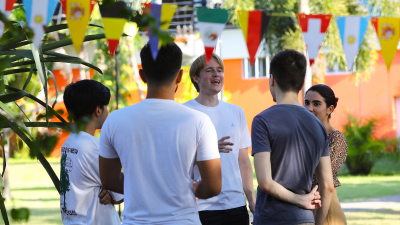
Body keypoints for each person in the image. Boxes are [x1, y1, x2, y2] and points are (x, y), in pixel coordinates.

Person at [98, 42, 222, 224]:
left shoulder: (115, 121)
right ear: (180, 76)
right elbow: (213, 186)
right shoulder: (199, 121)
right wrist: (190, 187)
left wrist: (141, 187)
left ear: (142, 75)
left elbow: (109, 179)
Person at [252, 49, 335, 225]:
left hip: (271, 219)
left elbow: (265, 182)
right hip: (304, 219)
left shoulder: (262, 121)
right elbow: (328, 186)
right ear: (302, 82)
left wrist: (300, 199)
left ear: (272, 79)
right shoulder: (318, 125)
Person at [184, 53, 255, 225]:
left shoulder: (236, 111)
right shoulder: (184, 113)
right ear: (196, 78)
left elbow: (244, 161)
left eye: (219, 70)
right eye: (209, 70)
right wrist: (208, 151)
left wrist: (251, 201)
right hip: (201, 207)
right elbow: (177, 163)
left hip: (236, 206)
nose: (217, 74)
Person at [60, 80, 123, 225]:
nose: (108, 110)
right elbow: (122, 187)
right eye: (106, 106)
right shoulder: (95, 148)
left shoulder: (68, 143)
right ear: (98, 110)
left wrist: (110, 191)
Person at [305, 84, 348, 225]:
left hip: (326, 211)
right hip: (303, 208)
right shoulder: (305, 136)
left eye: (316, 104)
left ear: (330, 109)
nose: (309, 108)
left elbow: (325, 181)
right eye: (306, 102)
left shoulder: (336, 139)